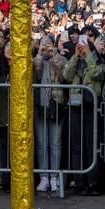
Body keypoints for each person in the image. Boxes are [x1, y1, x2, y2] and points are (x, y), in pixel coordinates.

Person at [63, 35, 103, 194]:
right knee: (76, 146)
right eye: (80, 46)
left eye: (85, 46)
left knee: (91, 145)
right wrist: (75, 56)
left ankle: (92, 183)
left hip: (91, 105)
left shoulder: (97, 61)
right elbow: (66, 75)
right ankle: (79, 182)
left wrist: (89, 56)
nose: (82, 49)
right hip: (75, 105)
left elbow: (97, 74)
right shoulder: (75, 60)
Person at [33, 36, 69, 194]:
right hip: (40, 104)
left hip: (56, 102)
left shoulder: (60, 58)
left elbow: (64, 76)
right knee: (41, 143)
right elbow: (37, 74)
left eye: (49, 44)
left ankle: (54, 177)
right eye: (43, 44)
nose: (46, 47)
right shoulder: (36, 59)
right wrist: (40, 55)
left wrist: (54, 56)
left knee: (55, 142)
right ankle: (43, 177)